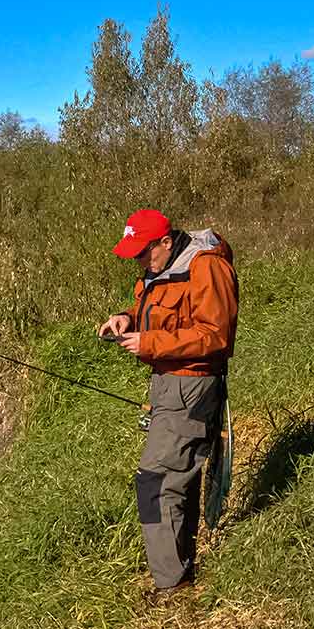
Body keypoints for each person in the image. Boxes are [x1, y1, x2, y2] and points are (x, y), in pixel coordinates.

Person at [98, 208, 238, 593]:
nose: (140, 262)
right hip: (165, 384)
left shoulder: (207, 267)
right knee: (177, 479)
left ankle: (171, 588)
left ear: (164, 241)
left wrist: (150, 343)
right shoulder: (164, 263)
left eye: (144, 253)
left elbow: (216, 336)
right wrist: (127, 319)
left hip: (191, 386)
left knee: (154, 482)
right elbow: (160, 311)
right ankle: (181, 570)